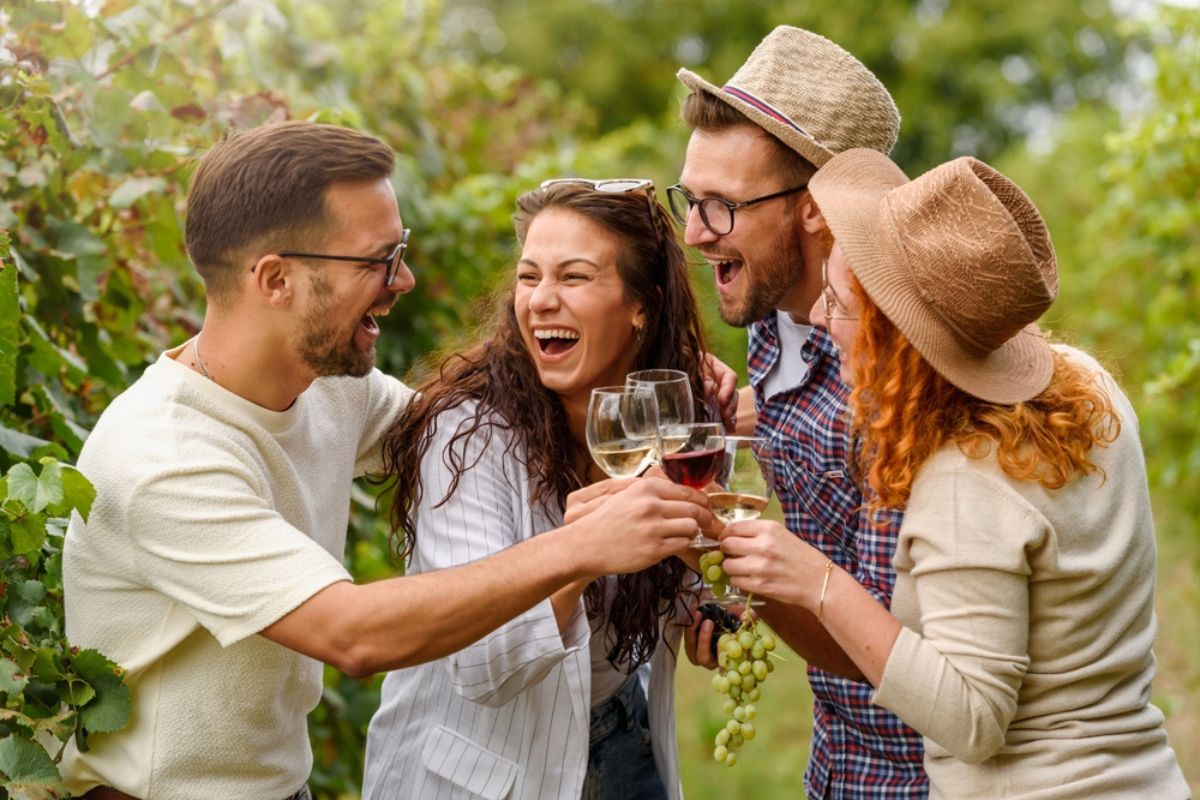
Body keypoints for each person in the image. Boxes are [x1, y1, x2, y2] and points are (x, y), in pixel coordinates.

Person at [61, 123, 716, 800]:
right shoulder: (165, 457)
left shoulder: (330, 388)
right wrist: (579, 548)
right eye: (378, 258)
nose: (402, 279)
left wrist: (660, 375)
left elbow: (479, 421)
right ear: (277, 278)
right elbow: (354, 635)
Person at [719, 148, 1191, 799]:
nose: (821, 321)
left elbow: (972, 719)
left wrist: (817, 580)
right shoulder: (1086, 386)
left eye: (839, 304)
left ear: (896, 336)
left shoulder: (964, 478)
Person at [361, 179, 720, 800]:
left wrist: (709, 597)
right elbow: (483, 668)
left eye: (574, 278)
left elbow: (677, 567)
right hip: (479, 774)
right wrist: (582, 552)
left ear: (643, 305)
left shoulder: (665, 416)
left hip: (621, 742)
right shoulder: (467, 434)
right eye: (530, 277)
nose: (541, 301)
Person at [671, 25, 926, 796]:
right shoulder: (779, 316)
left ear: (814, 209)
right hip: (835, 756)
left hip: (915, 771)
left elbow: (889, 648)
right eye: (691, 199)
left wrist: (711, 544)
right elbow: (812, 449)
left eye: (719, 207)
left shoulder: (900, 378)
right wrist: (728, 414)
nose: (692, 233)